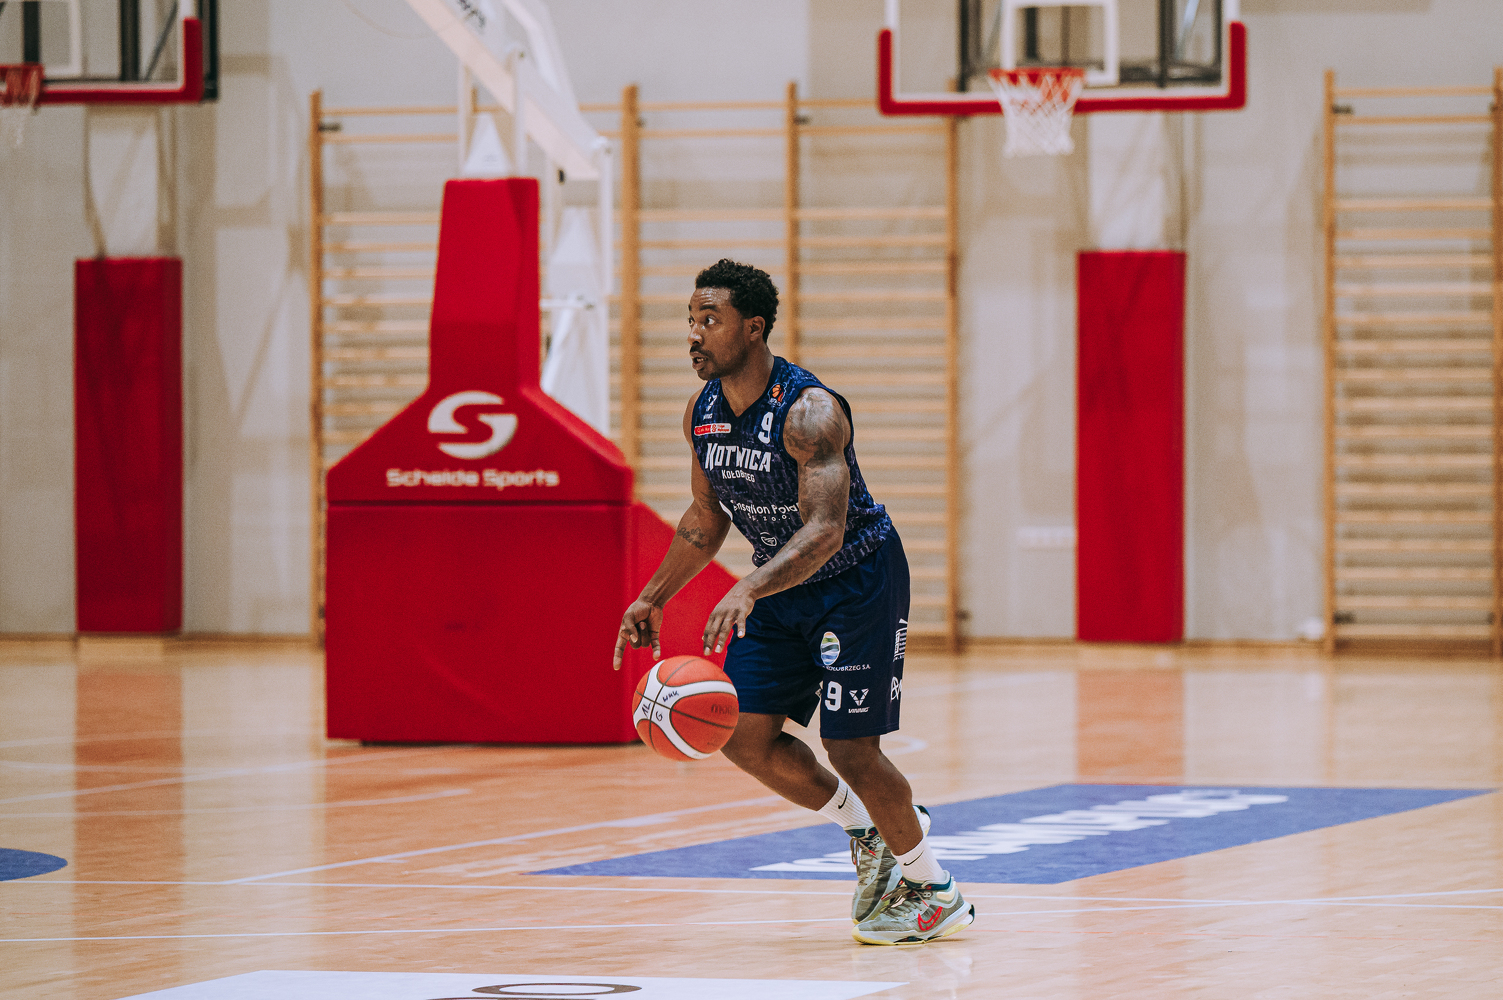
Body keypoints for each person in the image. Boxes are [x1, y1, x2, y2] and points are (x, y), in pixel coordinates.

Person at [612, 259, 974, 946]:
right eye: (690, 319)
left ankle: (935, 890)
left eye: (710, 319)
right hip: (780, 586)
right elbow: (705, 516)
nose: (694, 333)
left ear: (753, 328)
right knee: (743, 735)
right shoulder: (702, 413)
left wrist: (747, 586)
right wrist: (653, 596)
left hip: (856, 582)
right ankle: (867, 832)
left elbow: (825, 528)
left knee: (851, 749)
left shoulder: (808, 412)